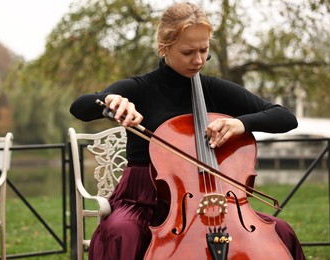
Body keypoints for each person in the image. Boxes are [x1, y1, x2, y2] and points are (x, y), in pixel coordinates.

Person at [70, 2, 305, 260]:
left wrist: (241, 124)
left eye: (204, 50)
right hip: (143, 199)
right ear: (164, 47)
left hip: (211, 200)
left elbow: (285, 117)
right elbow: (80, 107)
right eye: (187, 52)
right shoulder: (141, 88)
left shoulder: (213, 89)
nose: (198, 60)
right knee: (122, 232)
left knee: (281, 230)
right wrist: (112, 101)